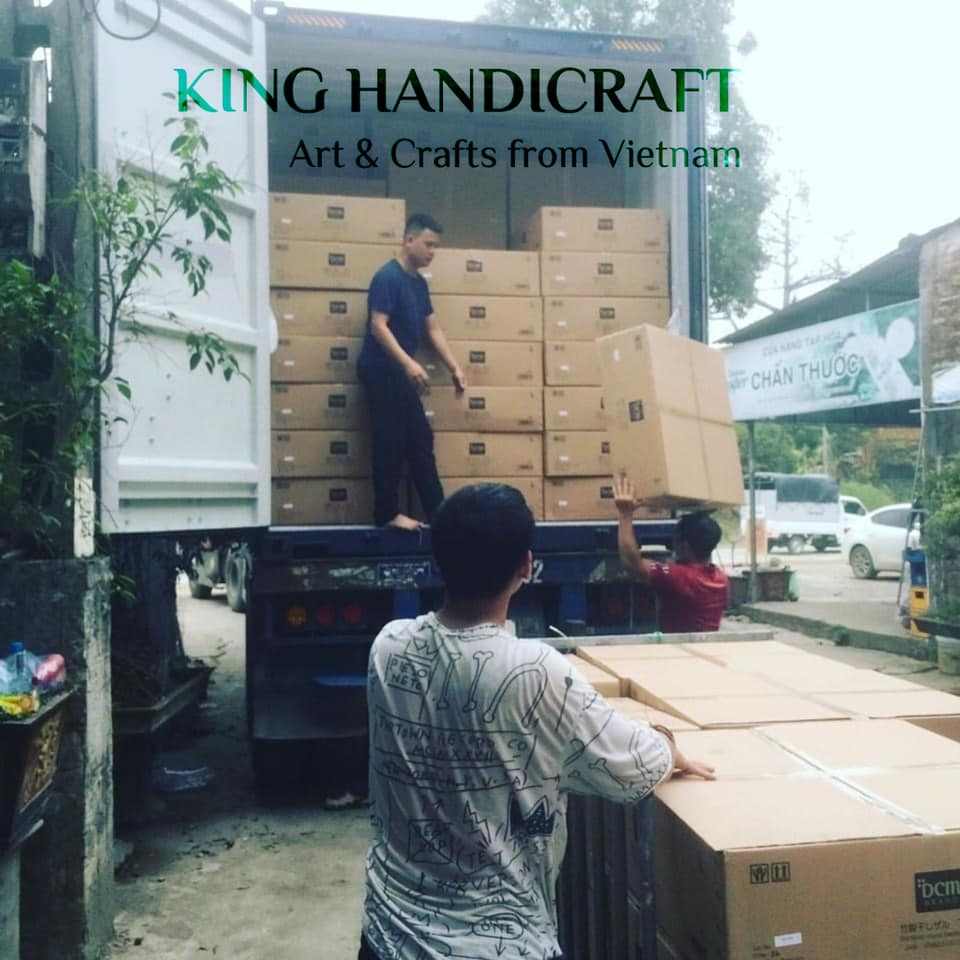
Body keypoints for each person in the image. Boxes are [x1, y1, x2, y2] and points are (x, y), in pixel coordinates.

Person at [360, 483, 715, 960]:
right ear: (527, 567)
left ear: (437, 562)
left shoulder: (388, 647)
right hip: (498, 946)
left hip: (387, 937)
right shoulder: (535, 672)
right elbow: (632, 766)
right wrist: (668, 744)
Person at [357, 213, 466, 532]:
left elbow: (432, 329)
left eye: (436, 247)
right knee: (390, 440)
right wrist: (409, 363)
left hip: (399, 374)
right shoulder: (387, 277)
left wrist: (454, 367)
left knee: (420, 439)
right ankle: (386, 514)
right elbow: (378, 326)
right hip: (380, 369)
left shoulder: (418, 284)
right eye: (429, 244)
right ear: (409, 240)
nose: (433, 252)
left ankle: (439, 514)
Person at [613, 476, 729, 633]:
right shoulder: (721, 579)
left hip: (679, 645)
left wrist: (625, 514)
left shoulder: (678, 577)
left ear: (685, 546)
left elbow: (632, 564)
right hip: (705, 644)